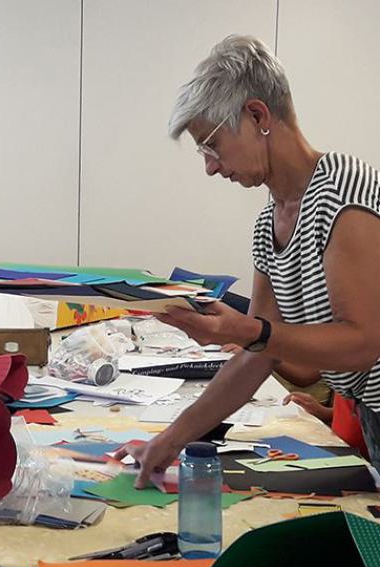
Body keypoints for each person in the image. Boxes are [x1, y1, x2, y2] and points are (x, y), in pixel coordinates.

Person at [121, 35, 380, 487]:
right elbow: (258, 355)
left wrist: (245, 330)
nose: (211, 167)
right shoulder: (268, 224)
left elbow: (363, 344)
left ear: (257, 116)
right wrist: (169, 441)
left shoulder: (344, 193)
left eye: (212, 145)